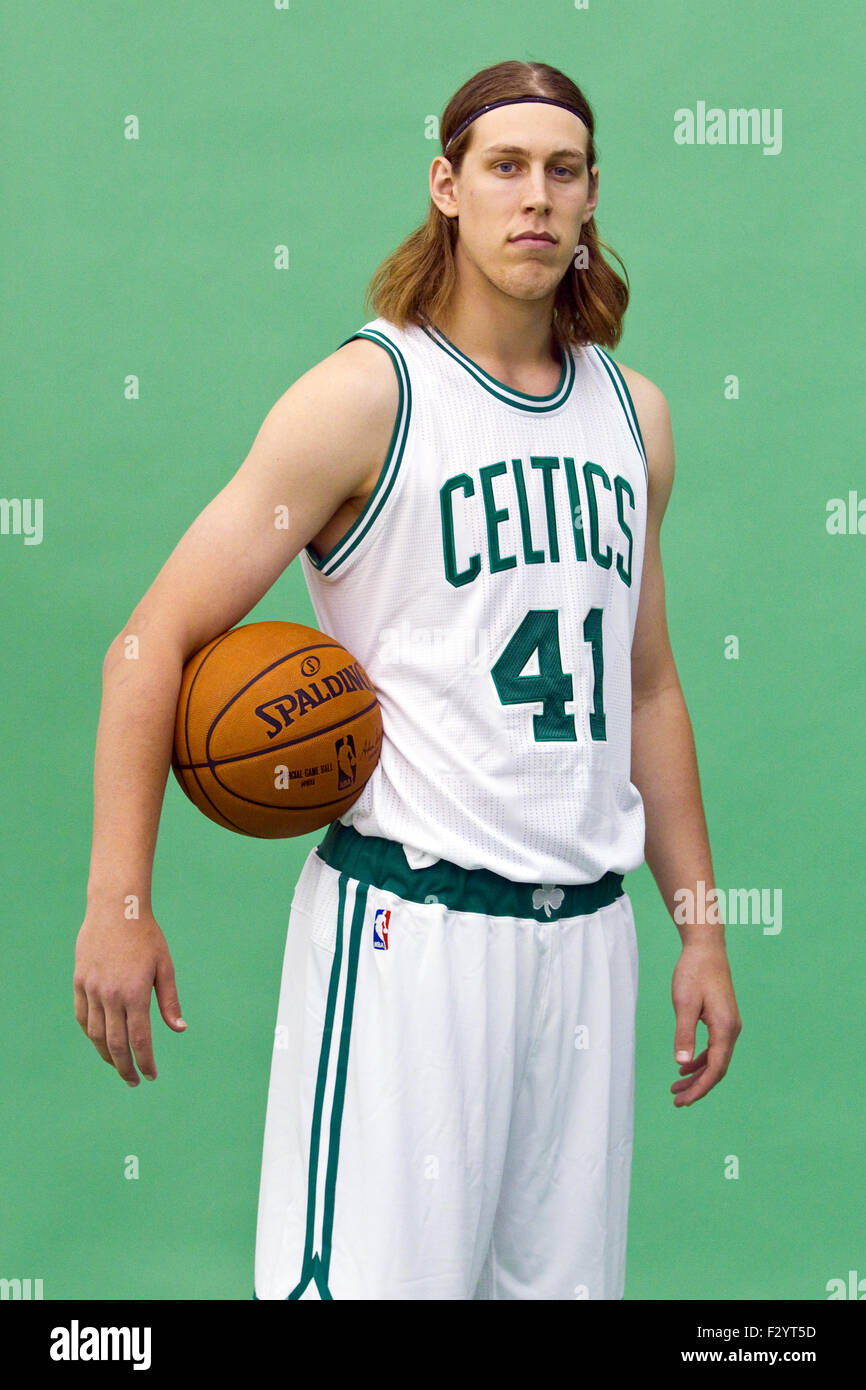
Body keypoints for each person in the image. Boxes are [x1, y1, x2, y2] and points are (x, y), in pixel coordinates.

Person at [75, 59, 742, 1301]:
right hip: (408, 937)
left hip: (585, 945)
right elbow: (147, 641)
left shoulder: (631, 417)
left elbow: (646, 688)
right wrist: (121, 898)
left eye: (560, 171)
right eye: (503, 168)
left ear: (593, 196)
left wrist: (698, 929)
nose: (533, 197)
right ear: (446, 187)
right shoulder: (369, 397)